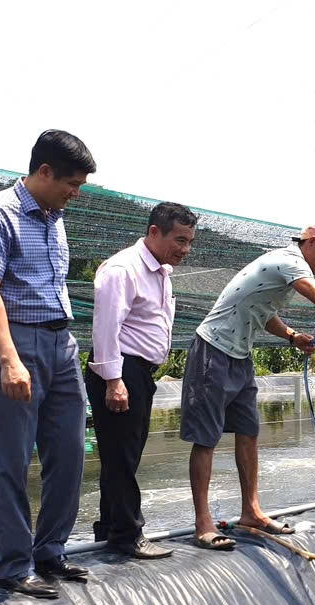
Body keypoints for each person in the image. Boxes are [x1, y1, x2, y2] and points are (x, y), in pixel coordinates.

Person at [181, 219, 315, 550]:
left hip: (240, 356)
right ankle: (203, 524)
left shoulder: (285, 273)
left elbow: (260, 311)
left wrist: (291, 335)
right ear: (310, 242)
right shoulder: (289, 261)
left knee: (249, 432)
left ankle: (251, 511)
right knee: (206, 439)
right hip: (212, 350)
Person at [0, 130, 96, 599]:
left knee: (69, 454)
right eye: (71, 184)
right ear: (44, 172)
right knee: (11, 460)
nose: (75, 194)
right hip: (16, 343)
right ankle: (13, 566)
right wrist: (8, 360)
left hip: (61, 344)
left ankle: (51, 551)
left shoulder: (54, 217)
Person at [86, 202, 197, 559]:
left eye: (189, 242)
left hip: (137, 372)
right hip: (121, 370)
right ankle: (127, 535)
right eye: (179, 240)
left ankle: (109, 527)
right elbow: (106, 327)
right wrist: (113, 380)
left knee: (123, 455)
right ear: (154, 232)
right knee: (121, 456)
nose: (185, 249)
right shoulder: (123, 269)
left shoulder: (160, 271)